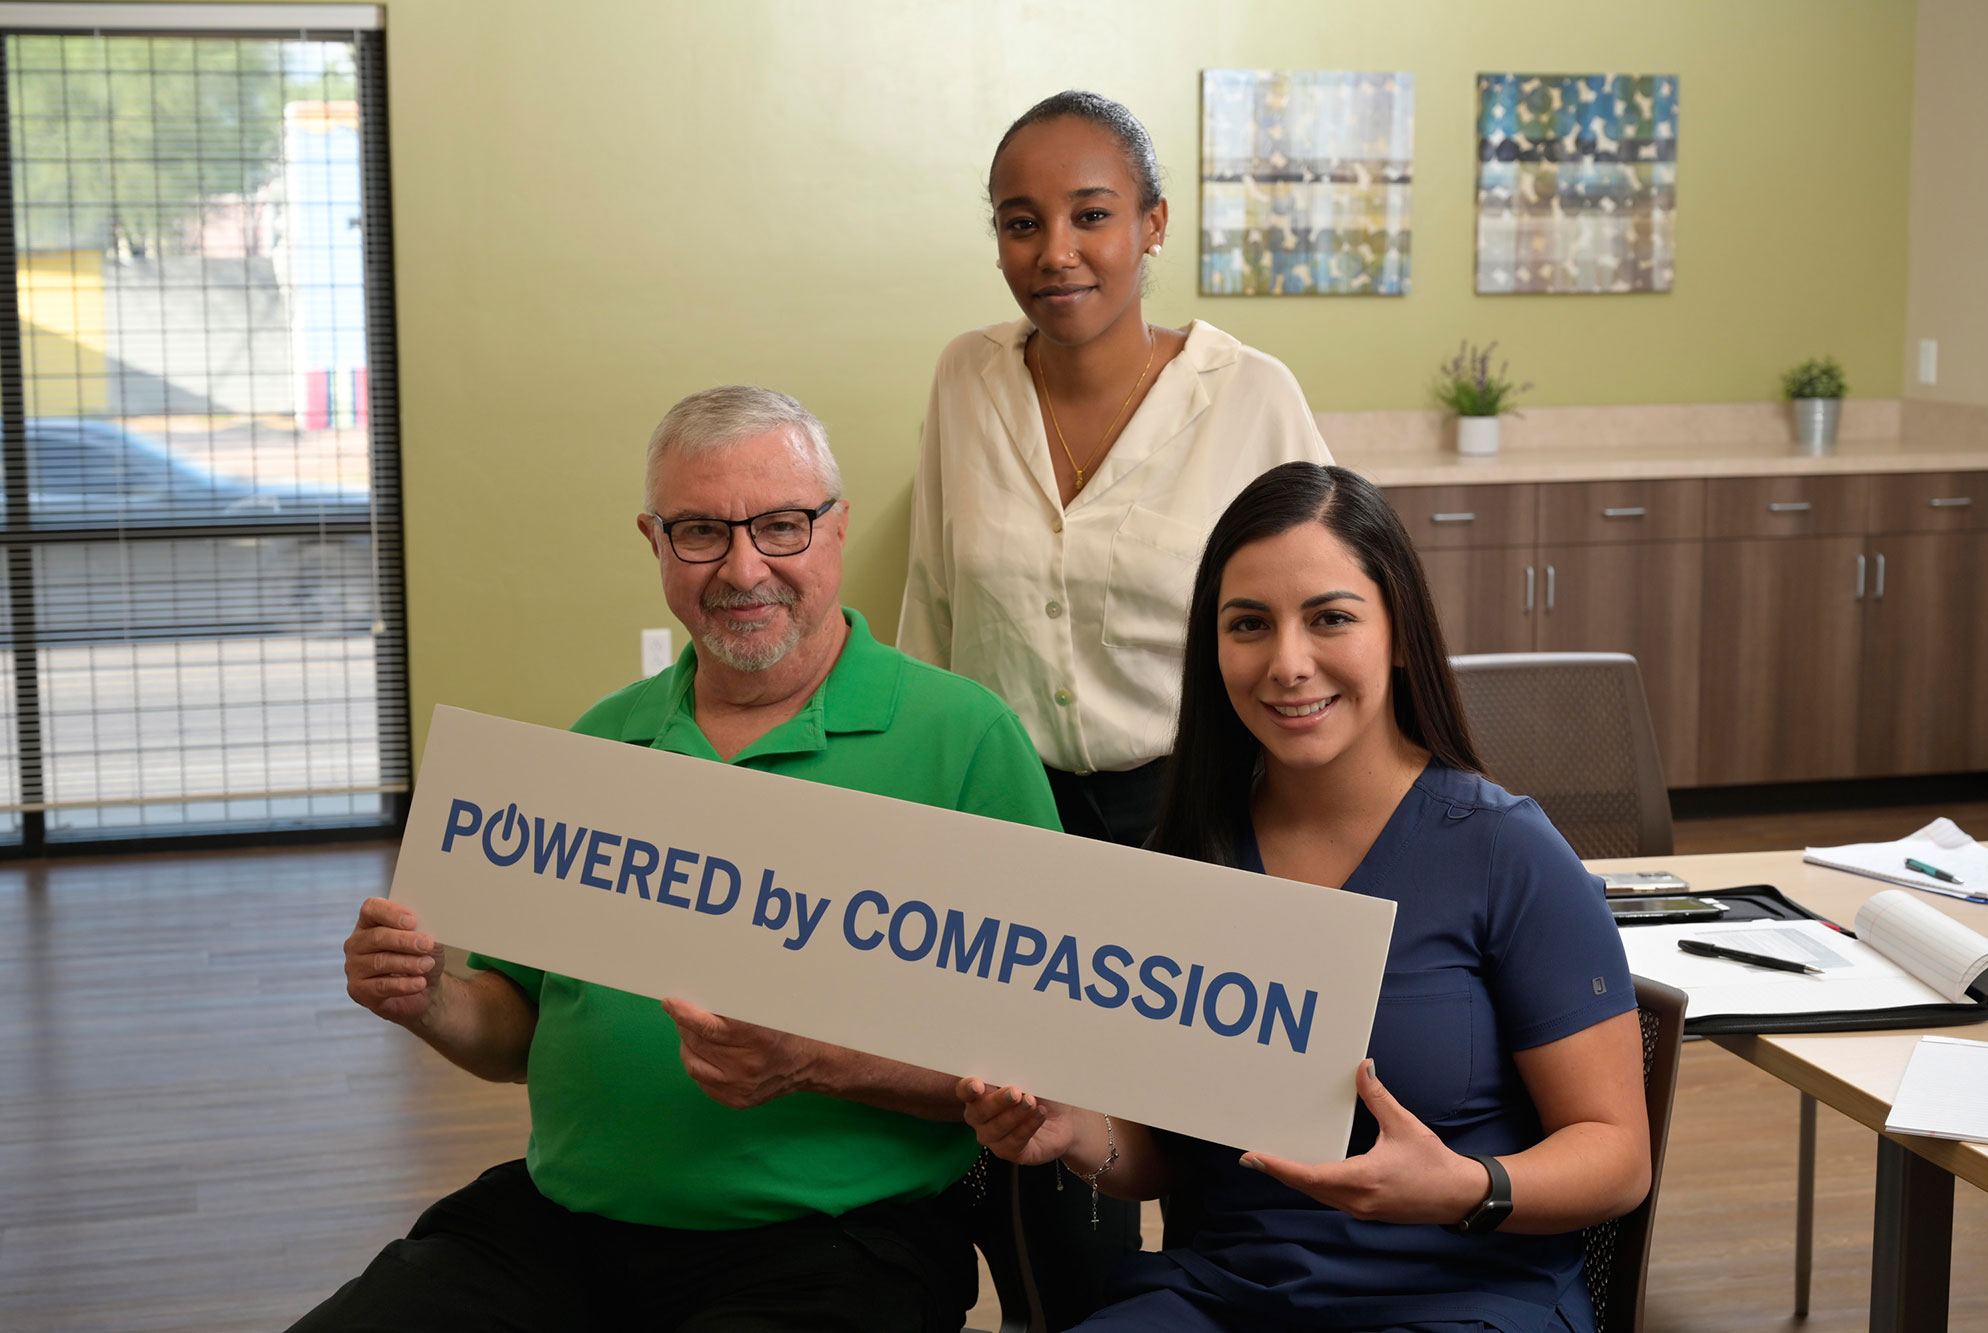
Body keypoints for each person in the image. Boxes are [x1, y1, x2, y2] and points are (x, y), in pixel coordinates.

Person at [293, 386, 1061, 1333]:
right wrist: (428, 998)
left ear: (837, 530)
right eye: (700, 531)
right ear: (654, 542)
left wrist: (814, 1062)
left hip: (830, 1243)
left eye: (781, 526)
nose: (743, 568)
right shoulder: (596, 744)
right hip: (557, 1226)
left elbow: (1047, 1058)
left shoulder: (964, 739)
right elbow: (517, 1028)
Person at [959, 463, 1653, 1333]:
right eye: (1249, 624)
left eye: (1329, 618)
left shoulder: (1505, 850)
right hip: (1221, 1297)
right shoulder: (1185, 858)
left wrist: (1465, 1187)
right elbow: (1161, 1153)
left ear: (1399, 632)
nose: (1288, 664)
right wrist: (1074, 1130)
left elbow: (1619, 1157)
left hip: (1463, 1297)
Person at [898, 89, 1332, 850]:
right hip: (999, 805)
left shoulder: (1250, 395)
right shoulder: (965, 377)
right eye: (1022, 223)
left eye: (1091, 215)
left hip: (1200, 808)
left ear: (1152, 224)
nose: (1055, 252)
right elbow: (932, 607)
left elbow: (1330, 622)